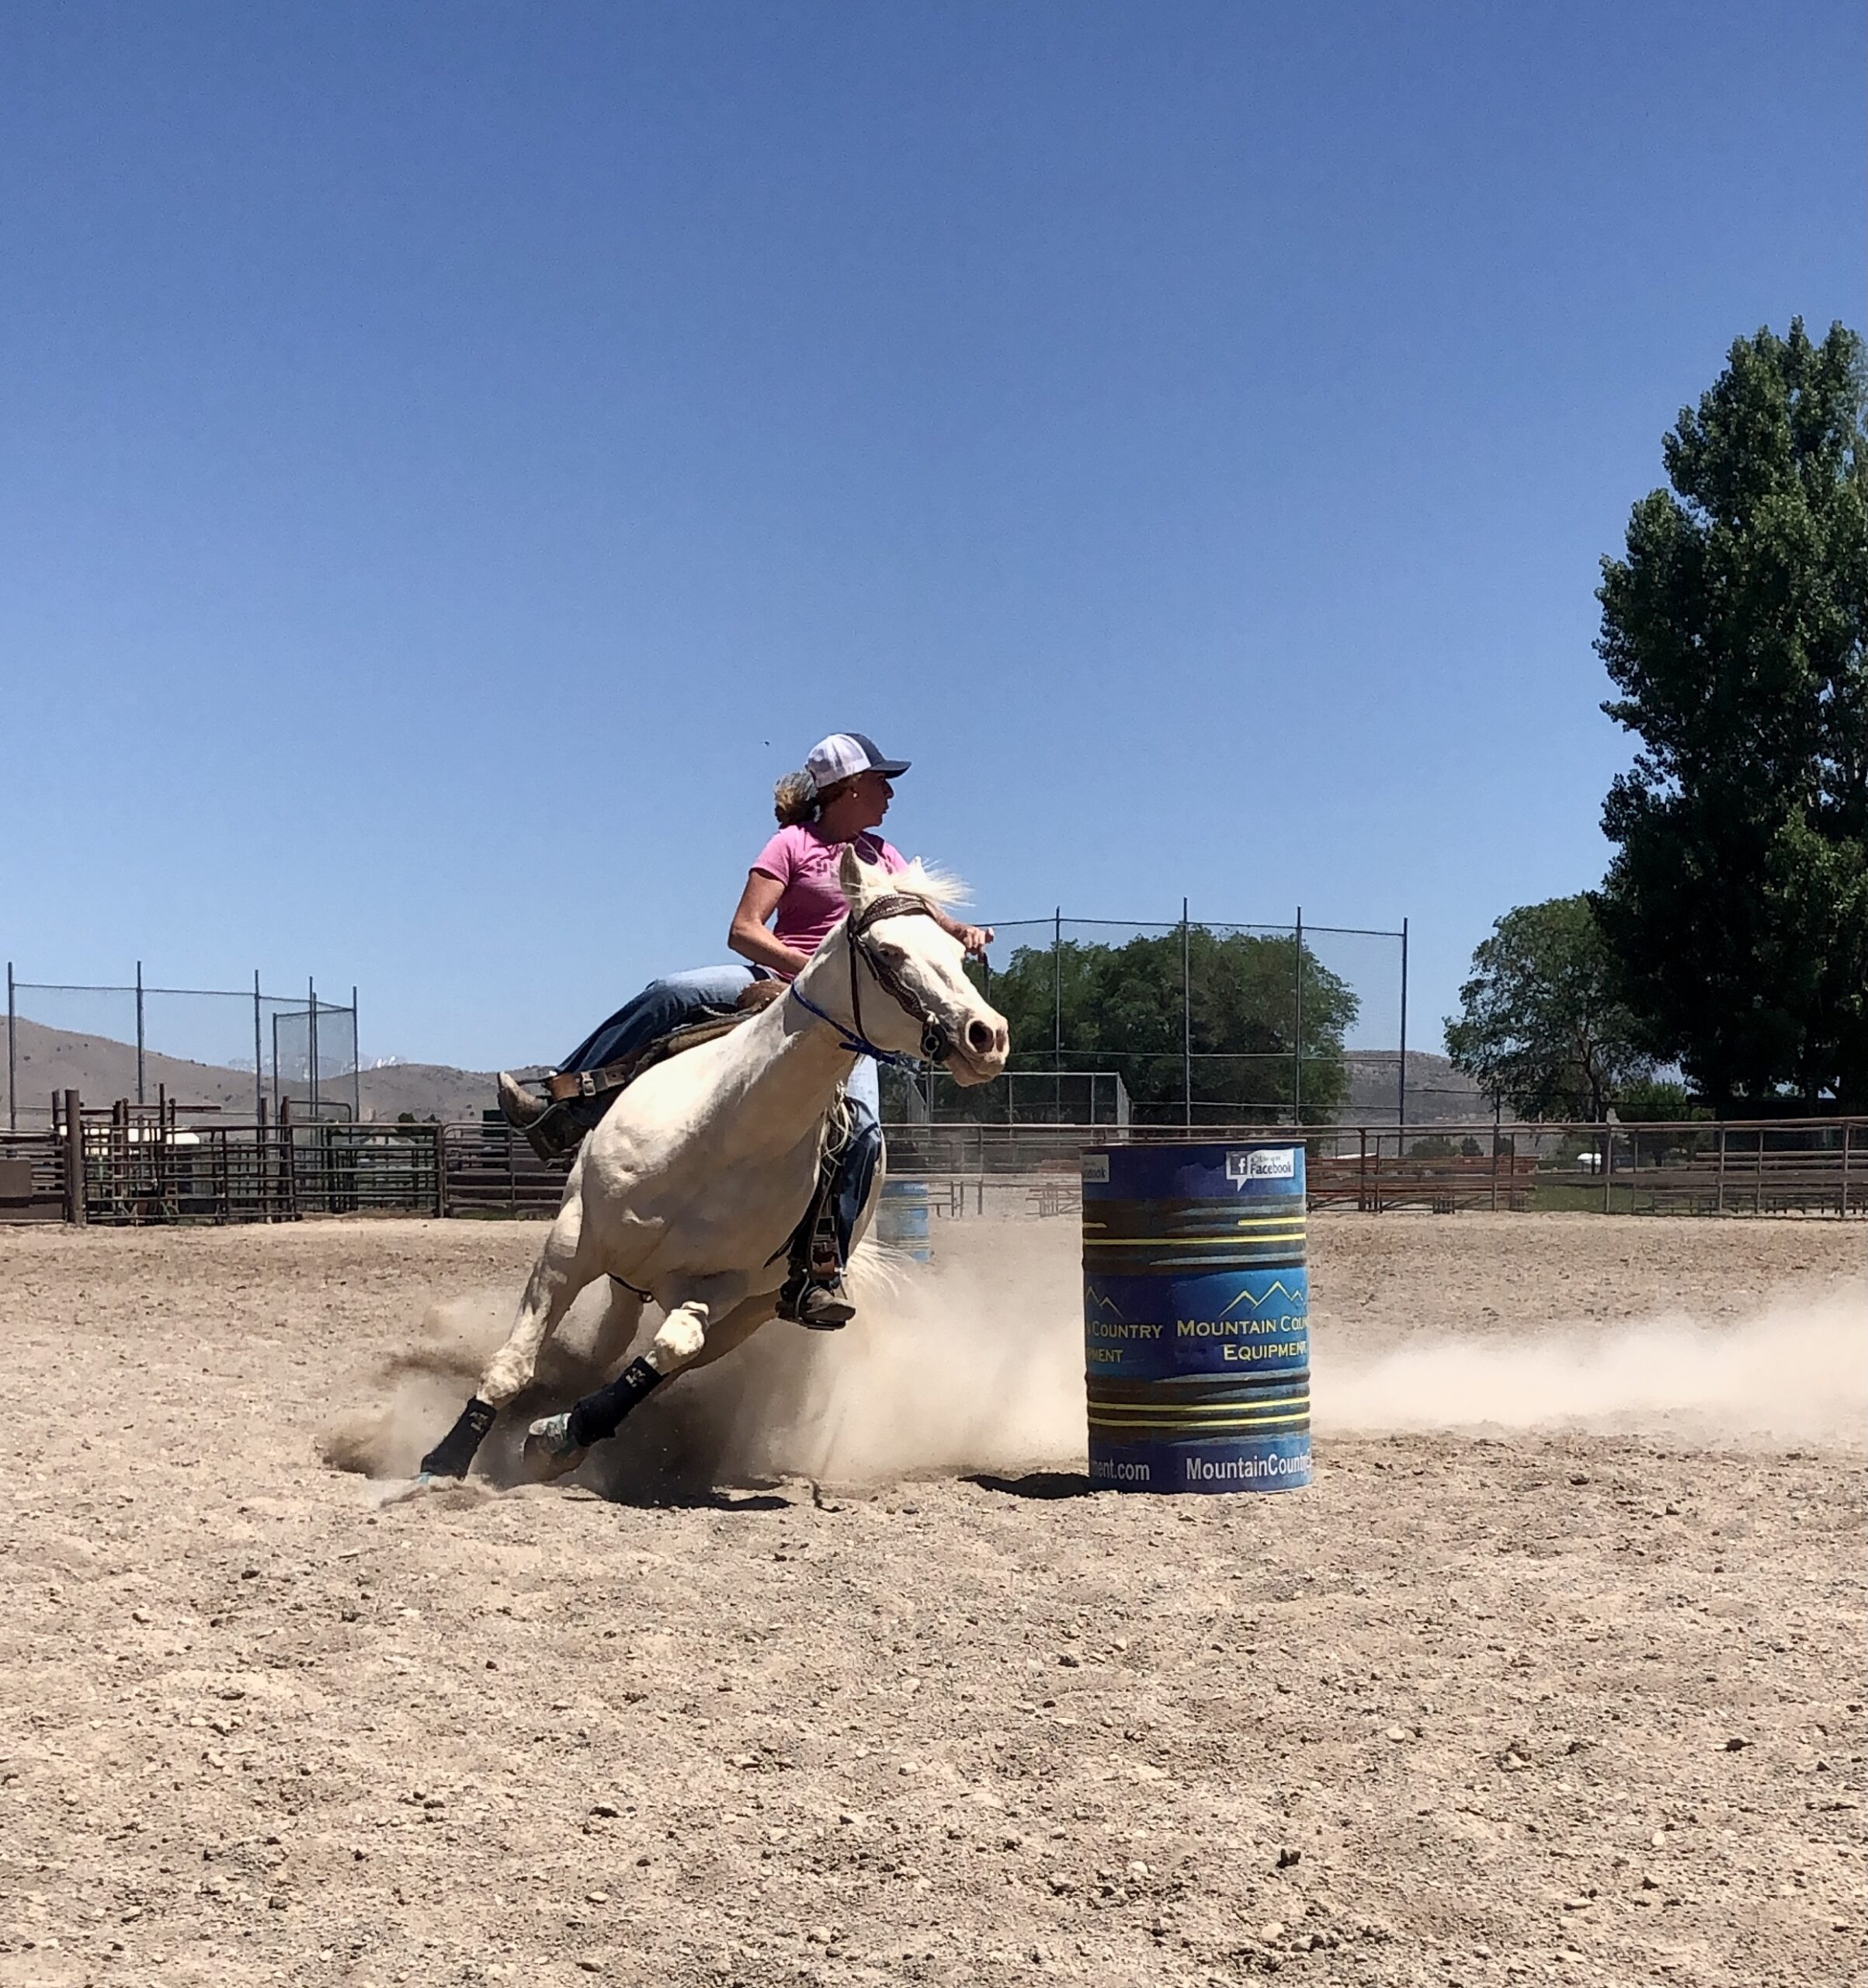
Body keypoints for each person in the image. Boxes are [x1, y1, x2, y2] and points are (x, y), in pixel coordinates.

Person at [496, 732, 992, 1329]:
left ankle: (819, 1271)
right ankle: (564, 1102)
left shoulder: (883, 858)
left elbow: (921, 920)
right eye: (881, 781)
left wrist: (960, 931)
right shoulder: (791, 846)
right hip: (776, 980)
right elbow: (744, 930)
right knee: (669, 994)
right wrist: (808, 977)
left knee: (862, 1132)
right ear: (849, 788)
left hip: (850, 1018)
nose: (889, 793)